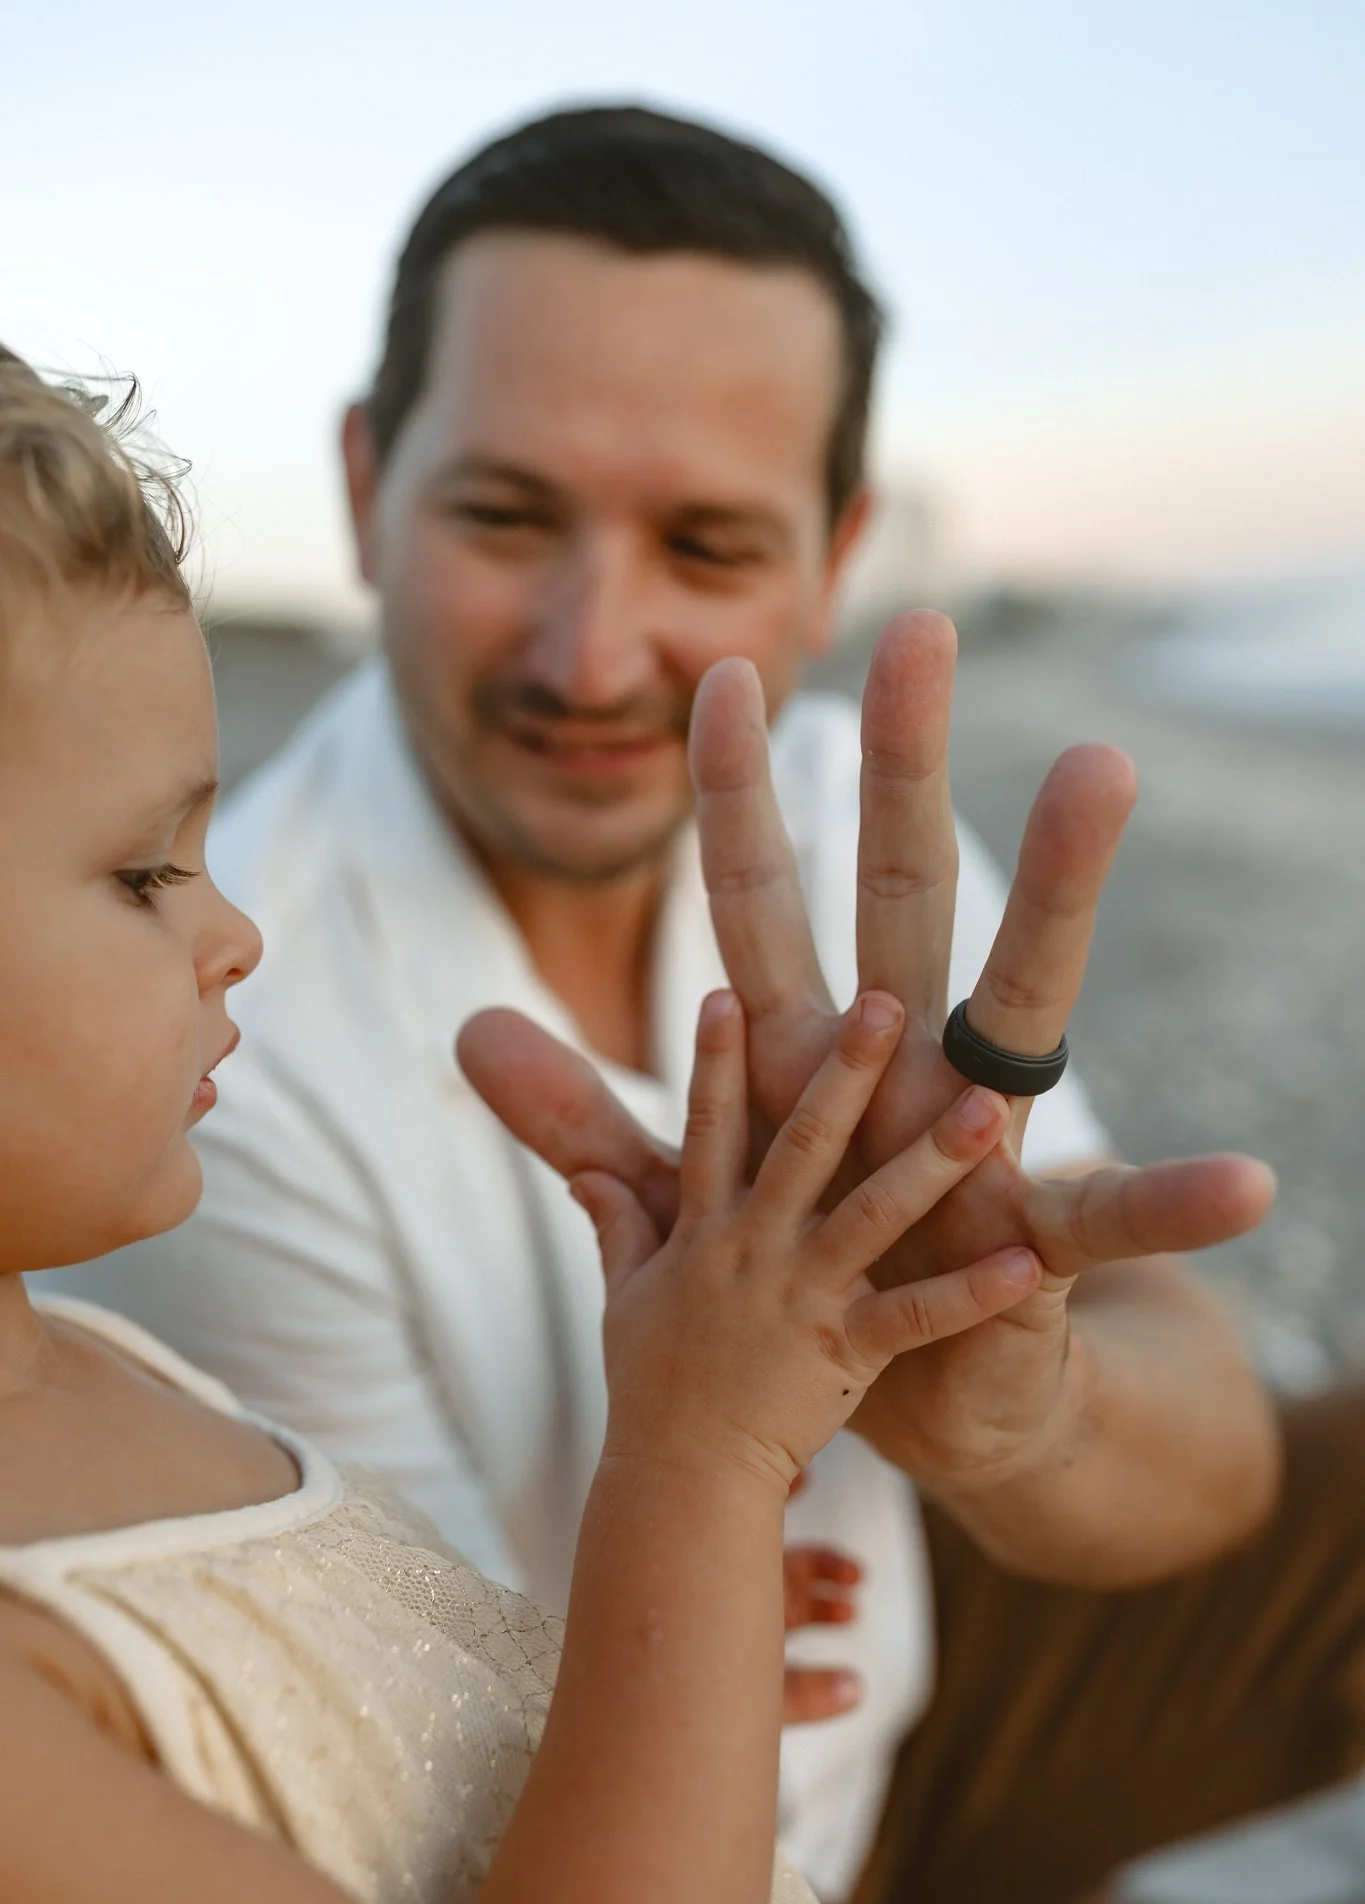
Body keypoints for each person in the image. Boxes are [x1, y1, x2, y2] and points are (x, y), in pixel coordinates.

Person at [57, 108, 1365, 1904]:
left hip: (910, 1678)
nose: (593, 657)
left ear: (834, 555)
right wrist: (724, 1523)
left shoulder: (837, 809)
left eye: (706, 543)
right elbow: (449, 1786)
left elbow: (1201, 1471)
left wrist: (1019, 1421)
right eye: (508, 515)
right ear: (366, 486)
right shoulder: (195, 1046)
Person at [0, 343, 1048, 1902]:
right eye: (147, 874)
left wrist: (663, 1658)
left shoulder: (84, 1360)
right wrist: (702, 1464)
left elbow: (372, 1744)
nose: (236, 933)